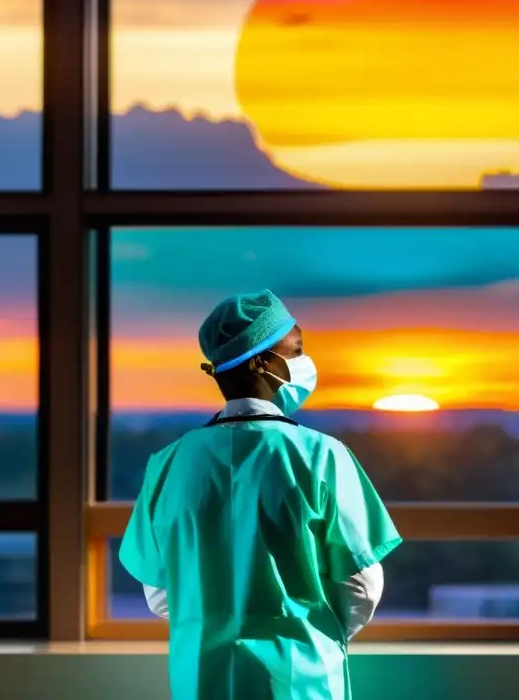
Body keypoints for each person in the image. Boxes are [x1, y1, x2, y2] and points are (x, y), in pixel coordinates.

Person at [119, 289, 402, 700]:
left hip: (203, 679)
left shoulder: (168, 464)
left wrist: (214, 620)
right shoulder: (321, 456)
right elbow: (360, 586)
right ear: (260, 361)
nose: (303, 362)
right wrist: (309, 637)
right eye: (296, 350)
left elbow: (161, 592)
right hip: (301, 681)